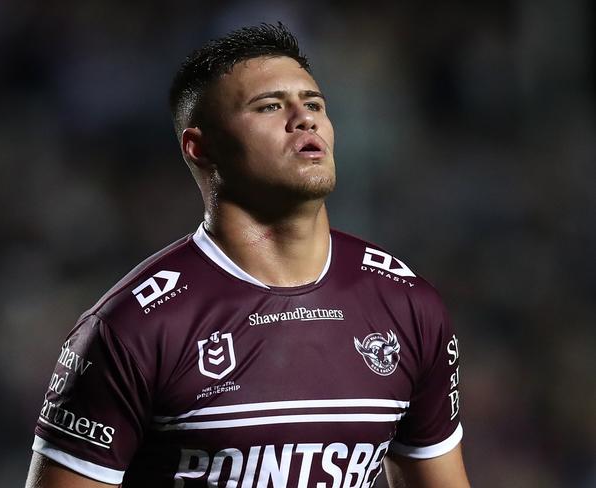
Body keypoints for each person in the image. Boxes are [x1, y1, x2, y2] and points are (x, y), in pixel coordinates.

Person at [25, 23, 470, 488]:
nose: (305, 119)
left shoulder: (407, 305)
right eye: (271, 106)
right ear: (200, 147)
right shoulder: (134, 327)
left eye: (314, 104)